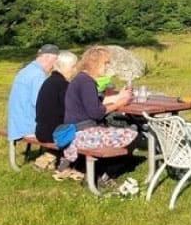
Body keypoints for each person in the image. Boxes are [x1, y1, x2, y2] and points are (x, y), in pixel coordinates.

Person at [59, 45, 139, 187]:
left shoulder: (80, 79)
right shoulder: (87, 82)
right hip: (82, 134)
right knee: (133, 133)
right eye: (105, 63)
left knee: (118, 130)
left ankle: (94, 170)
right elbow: (96, 112)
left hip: (75, 130)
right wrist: (118, 103)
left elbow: (94, 103)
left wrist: (118, 97)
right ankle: (104, 173)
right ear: (94, 63)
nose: (107, 66)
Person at [33, 50, 81, 179]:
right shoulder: (63, 85)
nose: (75, 70)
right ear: (63, 67)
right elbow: (72, 111)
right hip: (54, 134)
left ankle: (51, 157)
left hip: (41, 130)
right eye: (73, 66)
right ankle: (76, 166)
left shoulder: (49, 82)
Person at [6, 44, 59, 146]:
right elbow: (41, 104)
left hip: (16, 124)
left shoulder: (27, 70)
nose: (54, 66)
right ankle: (55, 154)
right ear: (46, 57)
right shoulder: (38, 75)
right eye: (54, 62)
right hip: (28, 127)